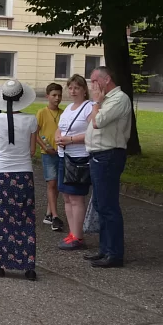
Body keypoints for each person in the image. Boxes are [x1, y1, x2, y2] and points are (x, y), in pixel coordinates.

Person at [0, 80, 39, 280]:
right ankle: (27, 264)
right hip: (23, 174)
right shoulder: (31, 120)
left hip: (0, 173)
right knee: (24, 218)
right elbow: (32, 150)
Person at [84, 66, 132, 268]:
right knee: (100, 204)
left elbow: (98, 122)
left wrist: (96, 102)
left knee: (108, 205)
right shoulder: (105, 100)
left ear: (106, 79)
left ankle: (114, 253)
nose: (92, 85)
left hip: (109, 155)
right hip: (98, 155)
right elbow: (90, 120)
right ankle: (105, 249)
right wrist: (98, 103)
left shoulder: (119, 99)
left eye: (95, 81)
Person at [55, 75, 93, 251]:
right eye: (70, 88)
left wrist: (70, 140)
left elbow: (92, 133)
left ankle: (78, 236)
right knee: (66, 197)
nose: (73, 91)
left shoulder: (89, 107)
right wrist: (58, 137)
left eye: (77, 88)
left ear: (84, 90)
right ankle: (72, 233)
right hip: (64, 155)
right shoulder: (69, 108)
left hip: (79, 157)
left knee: (76, 197)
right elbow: (60, 128)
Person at [36, 83, 65, 231]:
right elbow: (35, 133)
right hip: (47, 154)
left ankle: (49, 212)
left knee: (57, 184)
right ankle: (55, 216)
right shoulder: (42, 113)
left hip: (61, 152)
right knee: (51, 183)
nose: (57, 98)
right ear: (48, 96)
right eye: (54, 95)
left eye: (59, 95)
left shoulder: (63, 113)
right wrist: (45, 147)